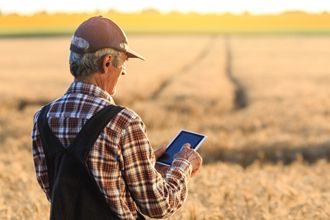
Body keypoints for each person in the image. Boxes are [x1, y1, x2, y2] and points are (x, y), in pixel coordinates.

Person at [32, 16, 202, 219]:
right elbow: (158, 205)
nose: (123, 73)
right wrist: (183, 165)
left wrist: (143, 166)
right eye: (123, 64)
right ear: (107, 63)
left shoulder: (42, 118)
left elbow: (58, 191)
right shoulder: (123, 122)